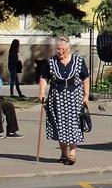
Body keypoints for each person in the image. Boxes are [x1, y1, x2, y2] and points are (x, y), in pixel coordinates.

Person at [39, 35, 90, 165]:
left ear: (69, 48)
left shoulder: (78, 60)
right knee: (60, 125)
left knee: (74, 125)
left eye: (63, 49)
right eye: (58, 49)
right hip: (57, 99)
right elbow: (44, 77)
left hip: (75, 98)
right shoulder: (52, 61)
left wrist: (86, 95)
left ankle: (72, 153)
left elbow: (85, 77)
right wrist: (41, 92)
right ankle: (63, 153)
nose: (60, 52)